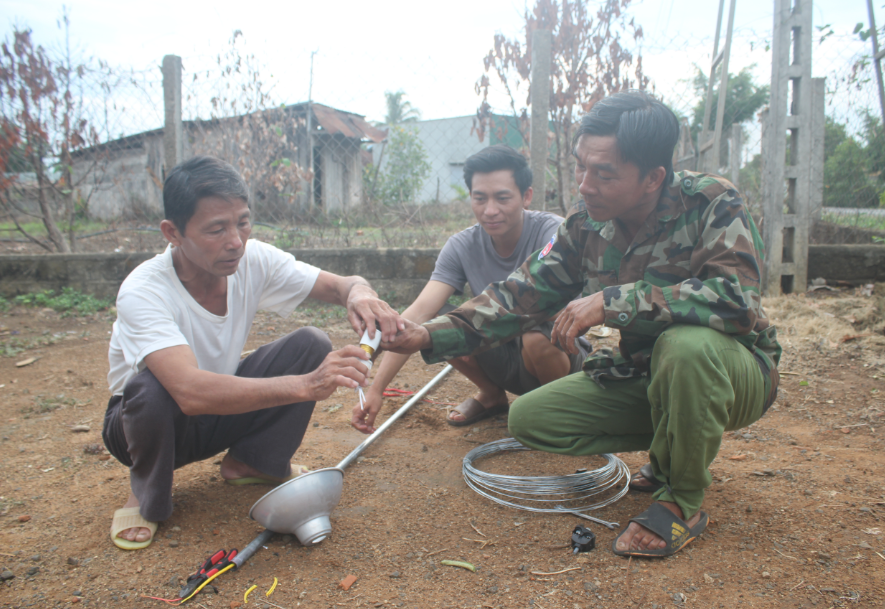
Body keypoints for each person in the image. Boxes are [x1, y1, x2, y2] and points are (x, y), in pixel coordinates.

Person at [382, 91, 781, 558]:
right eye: (580, 167)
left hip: (737, 374)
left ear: (653, 177)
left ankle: (680, 502)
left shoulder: (712, 201)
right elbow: (520, 295)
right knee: (531, 418)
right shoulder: (585, 224)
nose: (585, 185)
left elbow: (736, 300)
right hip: (650, 376)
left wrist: (613, 301)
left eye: (604, 174)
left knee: (686, 345)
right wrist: (428, 334)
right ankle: (672, 448)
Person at [102, 156, 403, 550]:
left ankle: (252, 462)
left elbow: (340, 285)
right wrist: (307, 384)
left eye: (242, 222)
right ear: (172, 232)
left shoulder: (251, 258)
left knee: (310, 344)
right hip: (146, 426)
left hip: (215, 413)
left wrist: (360, 293)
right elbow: (189, 392)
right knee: (150, 386)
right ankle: (144, 495)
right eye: (216, 229)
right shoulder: (144, 290)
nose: (236, 241)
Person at [351, 145, 585, 434]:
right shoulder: (462, 246)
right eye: (479, 198)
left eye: (502, 198)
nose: (490, 211)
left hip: (556, 355)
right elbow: (420, 313)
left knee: (535, 335)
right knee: (437, 322)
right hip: (500, 353)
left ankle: (560, 411)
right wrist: (376, 388)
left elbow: (554, 311)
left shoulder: (553, 233)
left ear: (527, 196)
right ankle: (491, 396)